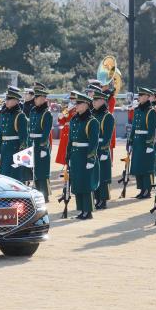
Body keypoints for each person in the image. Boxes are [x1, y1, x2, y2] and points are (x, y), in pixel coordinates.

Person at [65, 92, 99, 220]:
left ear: (86, 104)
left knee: (86, 183)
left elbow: (93, 142)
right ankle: (81, 210)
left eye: (79, 103)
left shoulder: (92, 122)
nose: (76, 106)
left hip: (85, 155)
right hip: (75, 155)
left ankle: (88, 210)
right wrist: (68, 154)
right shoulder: (74, 119)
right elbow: (70, 139)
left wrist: (91, 158)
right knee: (77, 183)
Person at [128, 87, 156, 199]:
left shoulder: (151, 111)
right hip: (137, 141)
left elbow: (152, 129)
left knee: (146, 167)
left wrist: (150, 144)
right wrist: (130, 141)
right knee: (138, 166)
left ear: (146, 97)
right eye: (138, 95)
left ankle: (147, 190)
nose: (139, 97)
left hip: (145, 142)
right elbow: (134, 127)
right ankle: (141, 189)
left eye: (141, 95)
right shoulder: (137, 110)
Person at [0, 87, 28, 181]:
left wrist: (21, 158)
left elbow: (24, 138)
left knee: (15, 176)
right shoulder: (4, 114)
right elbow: (1, 134)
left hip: (15, 150)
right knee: (4, 175)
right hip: (5, 149)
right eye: (6, 99)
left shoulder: (20, 115)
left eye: (9, 99)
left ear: (16, 101)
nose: (6, 101)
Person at [92, 89, 114, 210]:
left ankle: (103, 200)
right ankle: (97, 198)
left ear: (102, 100)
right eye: (93, 100)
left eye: (96, 100)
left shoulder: (107, 116)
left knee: (103, 176)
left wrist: (105, 150)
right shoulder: (93, 114)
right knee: (95, 174)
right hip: (94, 148)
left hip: (102, 149)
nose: (93, 102)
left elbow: (107, 136)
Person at [55, 92, 76, 166]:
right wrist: (61, 116)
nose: (72, 100)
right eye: (71, 99)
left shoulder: (77, 108)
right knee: (64, 147)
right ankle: (65, 163)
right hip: (66, 130)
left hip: (74, 129)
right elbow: (61, 121)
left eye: (74, 99)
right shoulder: (67, 108)